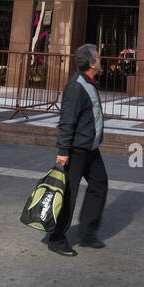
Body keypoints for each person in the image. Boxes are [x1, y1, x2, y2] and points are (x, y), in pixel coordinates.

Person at [47, 44, 108, 257]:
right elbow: (67, 121)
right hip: (75, 150)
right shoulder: (76, 87)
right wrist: (63, 150)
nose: (101, 61)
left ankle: (87, 233)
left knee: (99, 184)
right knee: (68, 194)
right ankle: (56, 238)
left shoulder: (89, 82)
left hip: (90, 148)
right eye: (98, 58)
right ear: (91, 63)